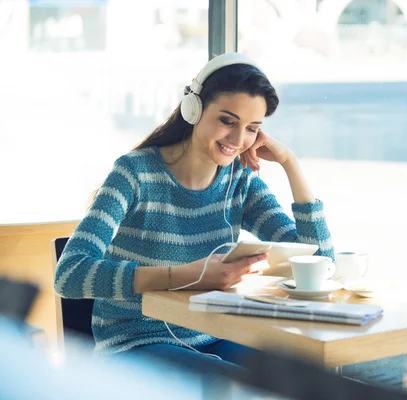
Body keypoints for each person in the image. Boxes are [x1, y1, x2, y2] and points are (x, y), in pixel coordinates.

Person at [54, 52, 334, 375]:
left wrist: (290, 164)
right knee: (233, 383)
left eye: (252, 129)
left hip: (213, 336)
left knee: (297, 376)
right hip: (134, 343)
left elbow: (322, 263)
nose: (238, 139)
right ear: (194, 109)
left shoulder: (239, 181)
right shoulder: (134, 173)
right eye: (227, 121)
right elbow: (70, 275)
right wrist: (189, 275)